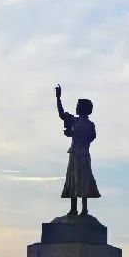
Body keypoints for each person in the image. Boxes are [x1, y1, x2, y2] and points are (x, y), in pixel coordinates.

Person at [55, 85, 101, 216]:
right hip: (77, 154)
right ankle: (74, 208)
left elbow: (89, 137)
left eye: (78, 106)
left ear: (83, 109)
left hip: (81, 154)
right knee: (73, 180)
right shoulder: (76, 121)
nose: (76, 108)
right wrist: (58, 98)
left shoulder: (87, 124)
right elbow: (62, 115)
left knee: (82, 180)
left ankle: (83, 209)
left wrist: (73, 133)